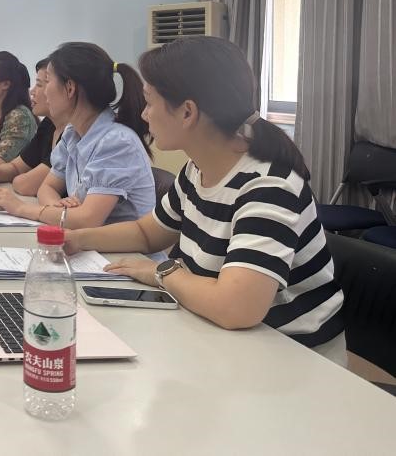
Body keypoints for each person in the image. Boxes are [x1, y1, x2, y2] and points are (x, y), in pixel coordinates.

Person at [64, 37, 345, 362]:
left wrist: (161, 272)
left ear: (187, 112)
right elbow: (146, 233)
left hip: (291, 358)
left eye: (150, 103)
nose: (144, 114)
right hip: (221, 339)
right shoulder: (197, 169)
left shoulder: (269, 186)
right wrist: (76, 239)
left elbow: (236, 307)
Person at [0, 42, 155, 231]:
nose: (43, 91)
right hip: (87, 243)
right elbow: (47, 188)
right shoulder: (73, 133)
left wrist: (21, 208)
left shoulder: (116, 142)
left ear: (69, 88)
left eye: (48, 81)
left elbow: (87, 220)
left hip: (120, 249)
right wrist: (59, 210)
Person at [0, 58, 66, 196]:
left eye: (40, 85)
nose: (32, 91)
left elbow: (24, 184)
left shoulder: (70, 134)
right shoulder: (48, 125)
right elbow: (17, 167)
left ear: (69, 89)